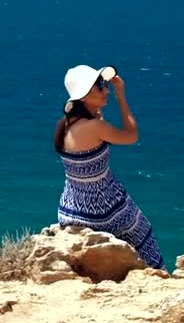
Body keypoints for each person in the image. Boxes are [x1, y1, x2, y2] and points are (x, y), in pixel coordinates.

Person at [52, 64, 164, 269]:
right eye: (99, 87)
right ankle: (156, 276)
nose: (106, 90)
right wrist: (121, 95)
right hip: (101, 210)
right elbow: (131, 135)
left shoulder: (64, 125)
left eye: (104, 85)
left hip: (69, 208)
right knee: (142, 229)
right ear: (84, 95)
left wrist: (97, 109)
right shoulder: (95, 127)